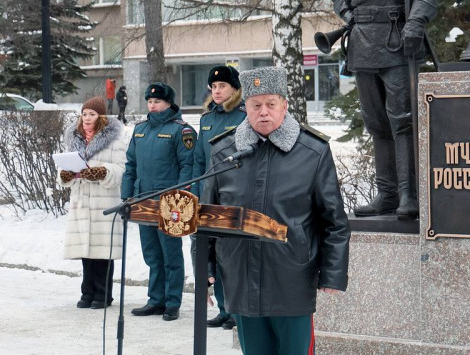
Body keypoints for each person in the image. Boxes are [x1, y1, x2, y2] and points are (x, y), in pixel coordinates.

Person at [201, 67, 350, 355]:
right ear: (245, 107)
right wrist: (205, 269)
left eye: (271, 104)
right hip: (241, 278)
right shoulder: (225, 151)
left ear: (284, 105)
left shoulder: (312, 151)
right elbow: (208, 216)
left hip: (292, 279)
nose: (264, 113)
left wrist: (332, 273)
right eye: (256, 105)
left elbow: (334, 220)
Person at [329, 0, 438, 220]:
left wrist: (416, 22)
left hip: (397, 41)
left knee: (403, 121)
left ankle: (410, 194)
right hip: (362, 44)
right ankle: (387, 193)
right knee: (376, 123)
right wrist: (349, 15)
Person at [121, 82, 196, 321]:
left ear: (169, 104)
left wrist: (182, 196)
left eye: (158, 102)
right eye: (150, 102)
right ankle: (156, 300)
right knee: (152, 253)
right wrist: (127, 196)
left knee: (170, 254)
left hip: (170, 202)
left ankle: (172, 302)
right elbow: (131, 164)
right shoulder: (140, 129)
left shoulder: (181, 131)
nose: (153, 106)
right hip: (144, 200)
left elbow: (188, 166)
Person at [58, 97, 128, 309]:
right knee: (86, 252)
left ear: (101, 117)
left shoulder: (115, 140)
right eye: (85, 114)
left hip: (103, 201)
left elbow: (121, 168)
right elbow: (62, 171)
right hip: (81, 201)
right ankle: (87, 292)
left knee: (102, 253)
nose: (87, 118)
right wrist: (66, 174)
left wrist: (102, 172)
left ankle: (103, 294)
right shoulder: (74, 139)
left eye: (92, 114)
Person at [191, 65, 246, 330]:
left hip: (234, 193)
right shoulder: (206, 120)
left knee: (232, 253)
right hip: (208, 192)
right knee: (213, 252)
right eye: (213, 87)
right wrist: (194, 191)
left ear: (234, 89)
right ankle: (224, 309)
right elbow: (198, 159)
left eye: (222, 86)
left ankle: (236, 309)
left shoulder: (245, 116)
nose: (217, 91)